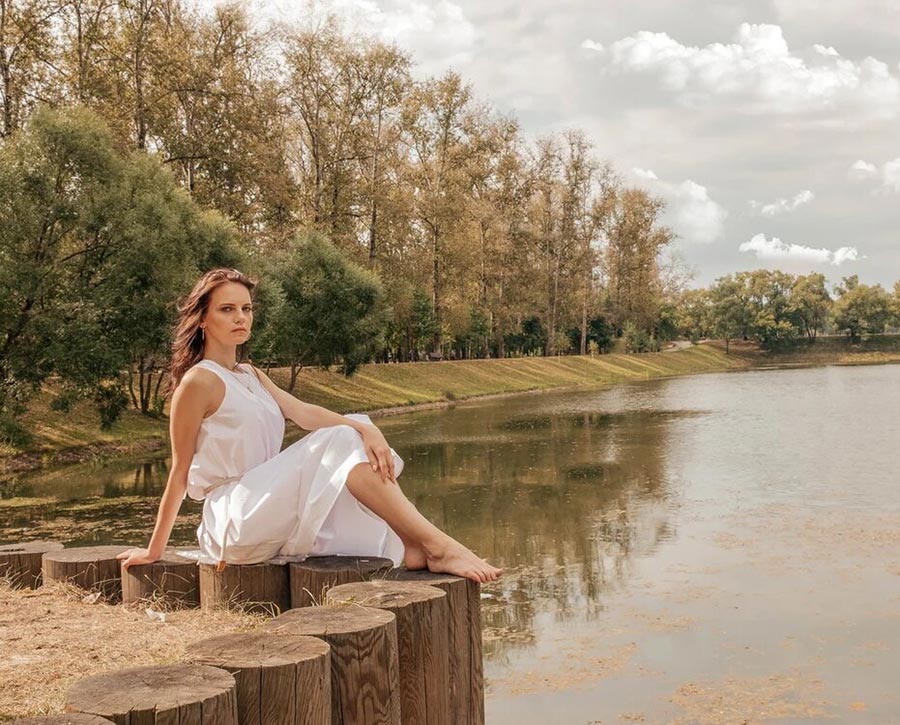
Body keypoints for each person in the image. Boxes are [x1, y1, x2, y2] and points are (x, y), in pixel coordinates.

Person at [117, 268, 501, 584]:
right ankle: (435, 544)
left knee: (350, 429)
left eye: (247, 309)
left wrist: (368, 429)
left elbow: (303, 413)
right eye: (227, 309)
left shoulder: (249, 374)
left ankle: (415, 542)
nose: (240, 318)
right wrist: (154, 550)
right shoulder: (198, 382)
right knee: (339, 437)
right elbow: (179, 472)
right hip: (234, 516)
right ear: (202, 319)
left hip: (268, 501)